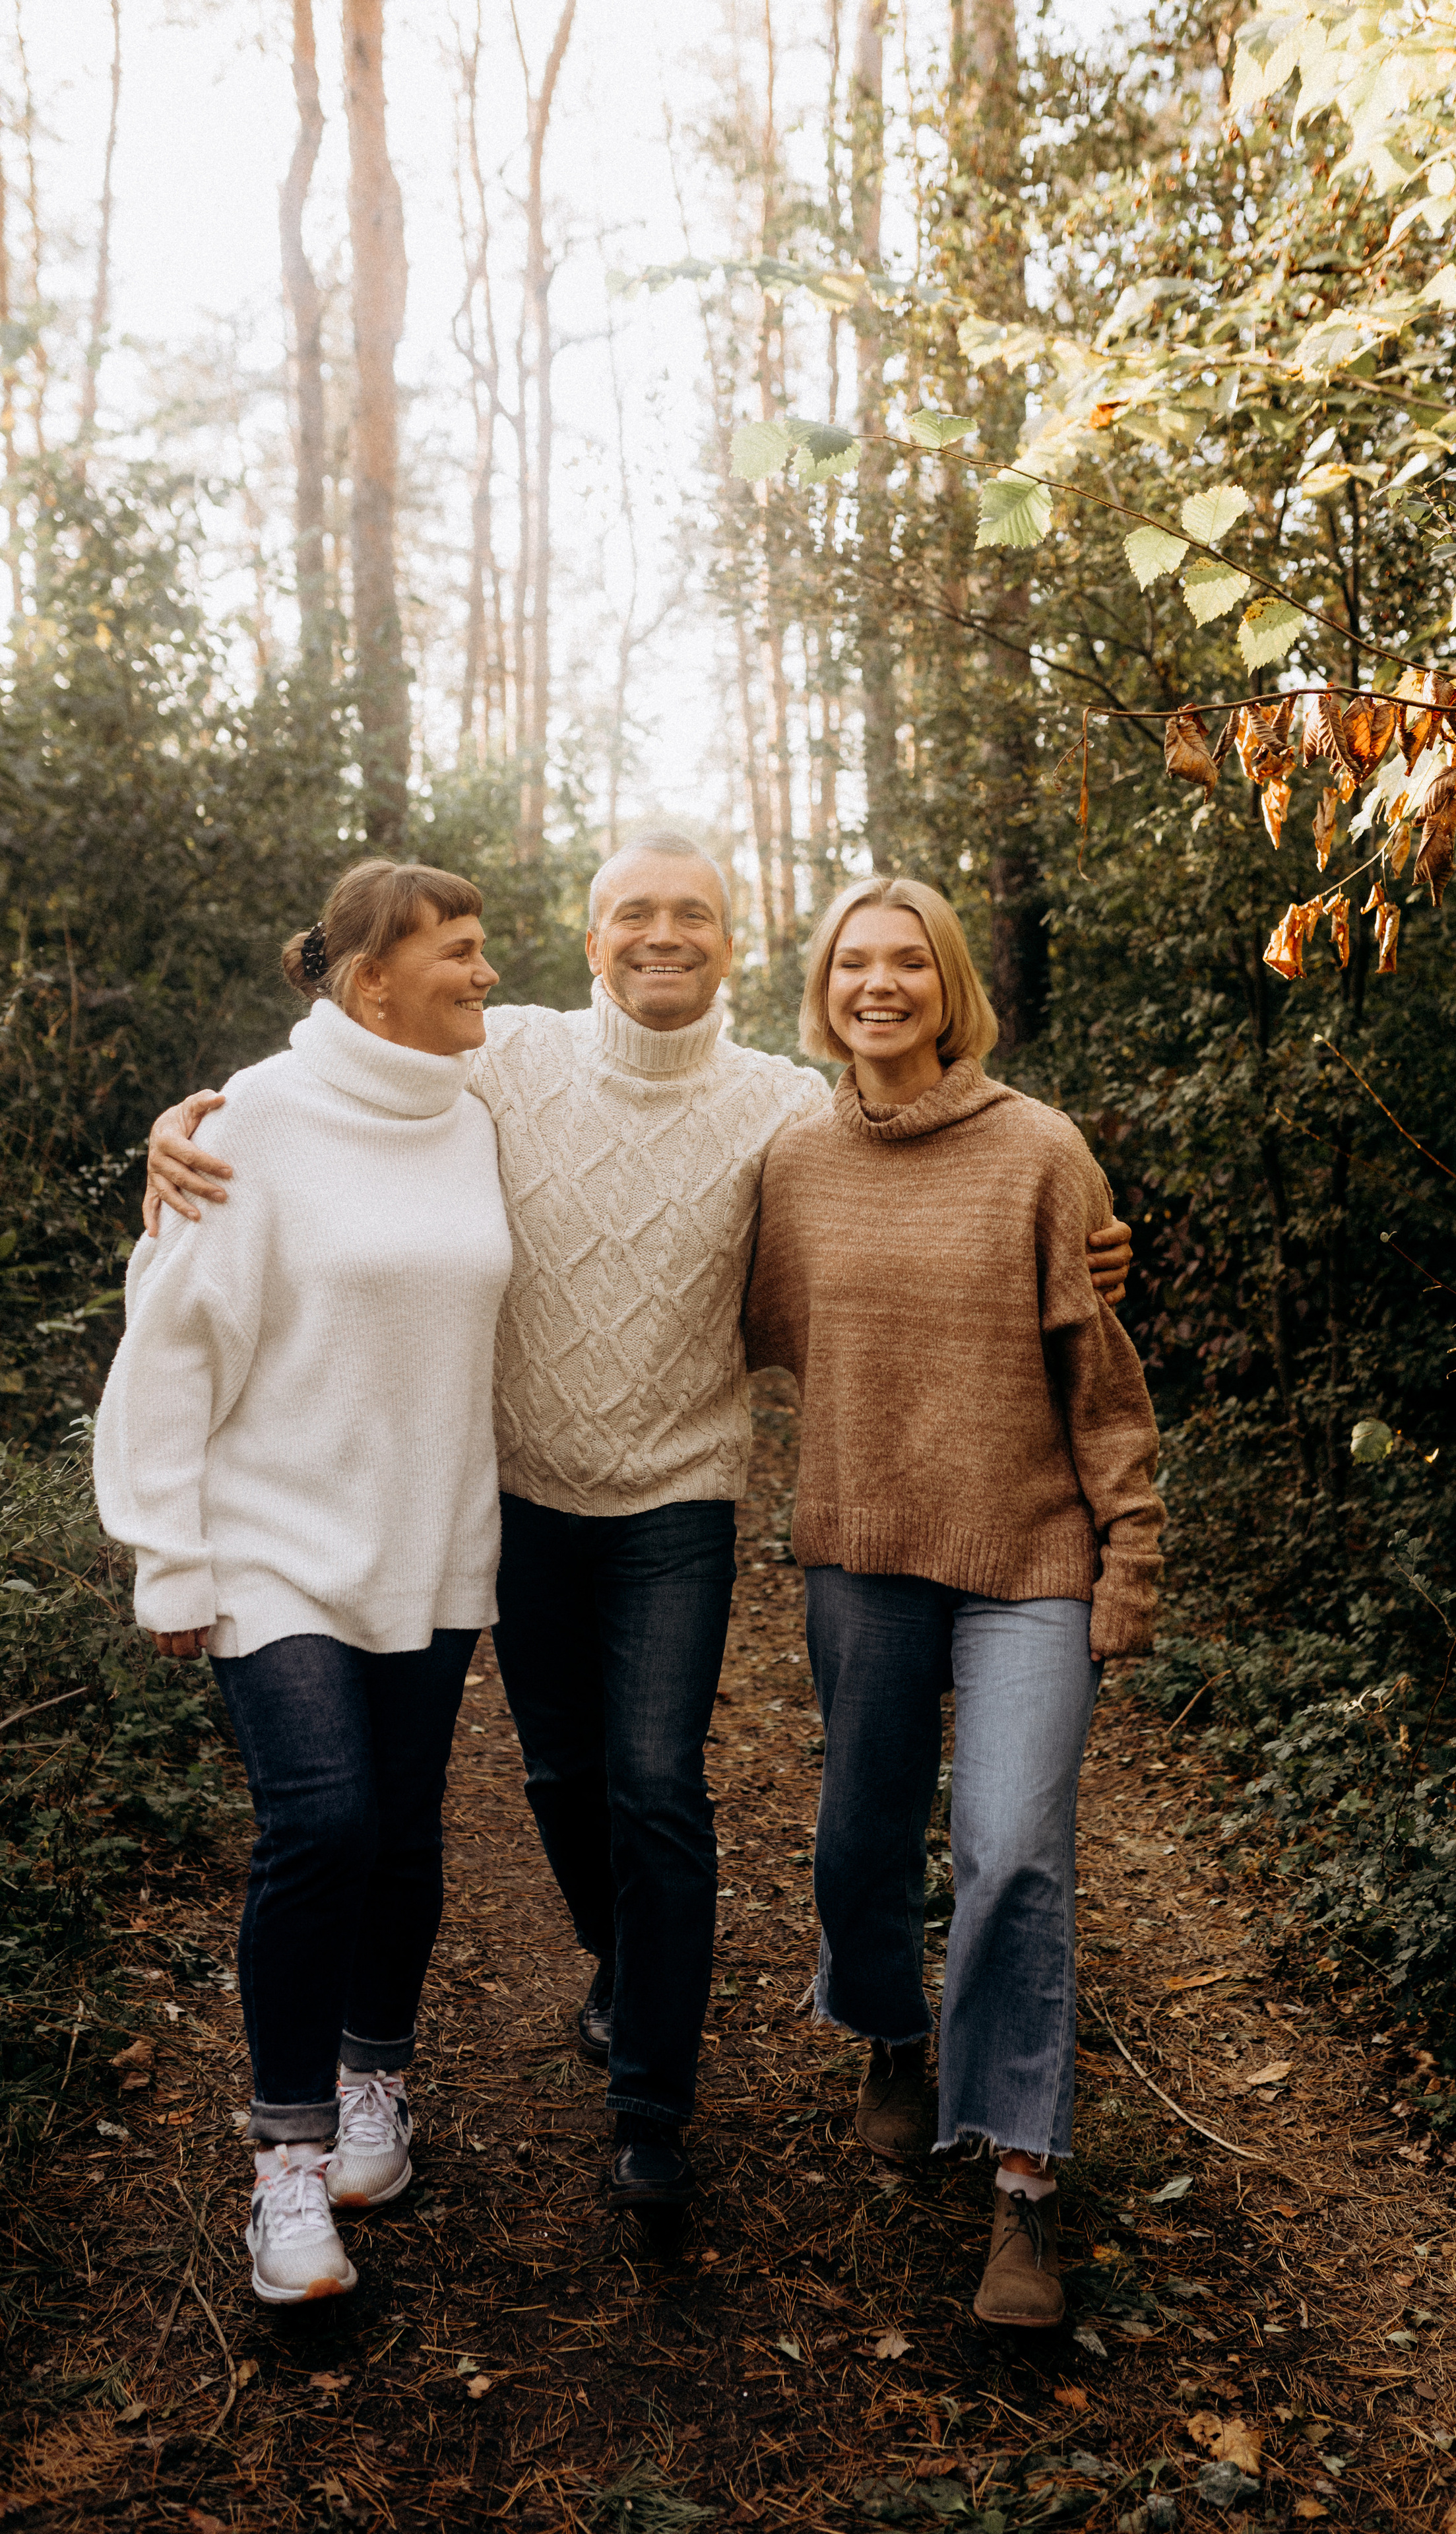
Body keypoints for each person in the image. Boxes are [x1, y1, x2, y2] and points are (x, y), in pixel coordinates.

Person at [142, 836, 1136, 2215]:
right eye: (633, 914)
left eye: (695, 916)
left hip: (679, 1492)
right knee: (559, 1778)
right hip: (519, 1492)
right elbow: (344, 1074)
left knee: (656, 1784)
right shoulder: (505, 1062)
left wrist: (1083, 1238)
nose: (663, 934)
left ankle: (650, 2109)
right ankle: (620, 1969)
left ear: (734, 947)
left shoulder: (785, 1109)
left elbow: (921, 1159)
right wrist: (192, 1131)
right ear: (591, 937)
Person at [744, 875, 1163, 2329]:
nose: (877, 984)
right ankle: (884, 2032)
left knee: (1009, 1854)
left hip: (1030, 1560)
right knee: (860, 1837)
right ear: (821, 987)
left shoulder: (1040, 1151)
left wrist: (1131, 1551)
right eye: (850, 962)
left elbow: (1098, 1382)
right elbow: (740, 1324)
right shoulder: (788, 1164)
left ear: (949, 984)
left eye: (904, 962)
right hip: (861, 1548)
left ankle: (1021, 2188)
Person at [96, 861, 511, 2306]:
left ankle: (373, 2083)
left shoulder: (483, 1102)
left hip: (431, 1535)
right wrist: (169, 1554)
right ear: (369, 973)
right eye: (459, 952)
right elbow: (171, 1343)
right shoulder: (251, 1123)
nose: (485, 973)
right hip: (272, 1536)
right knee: (323, 1822)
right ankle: (284, 2161)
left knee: (399, 1837)